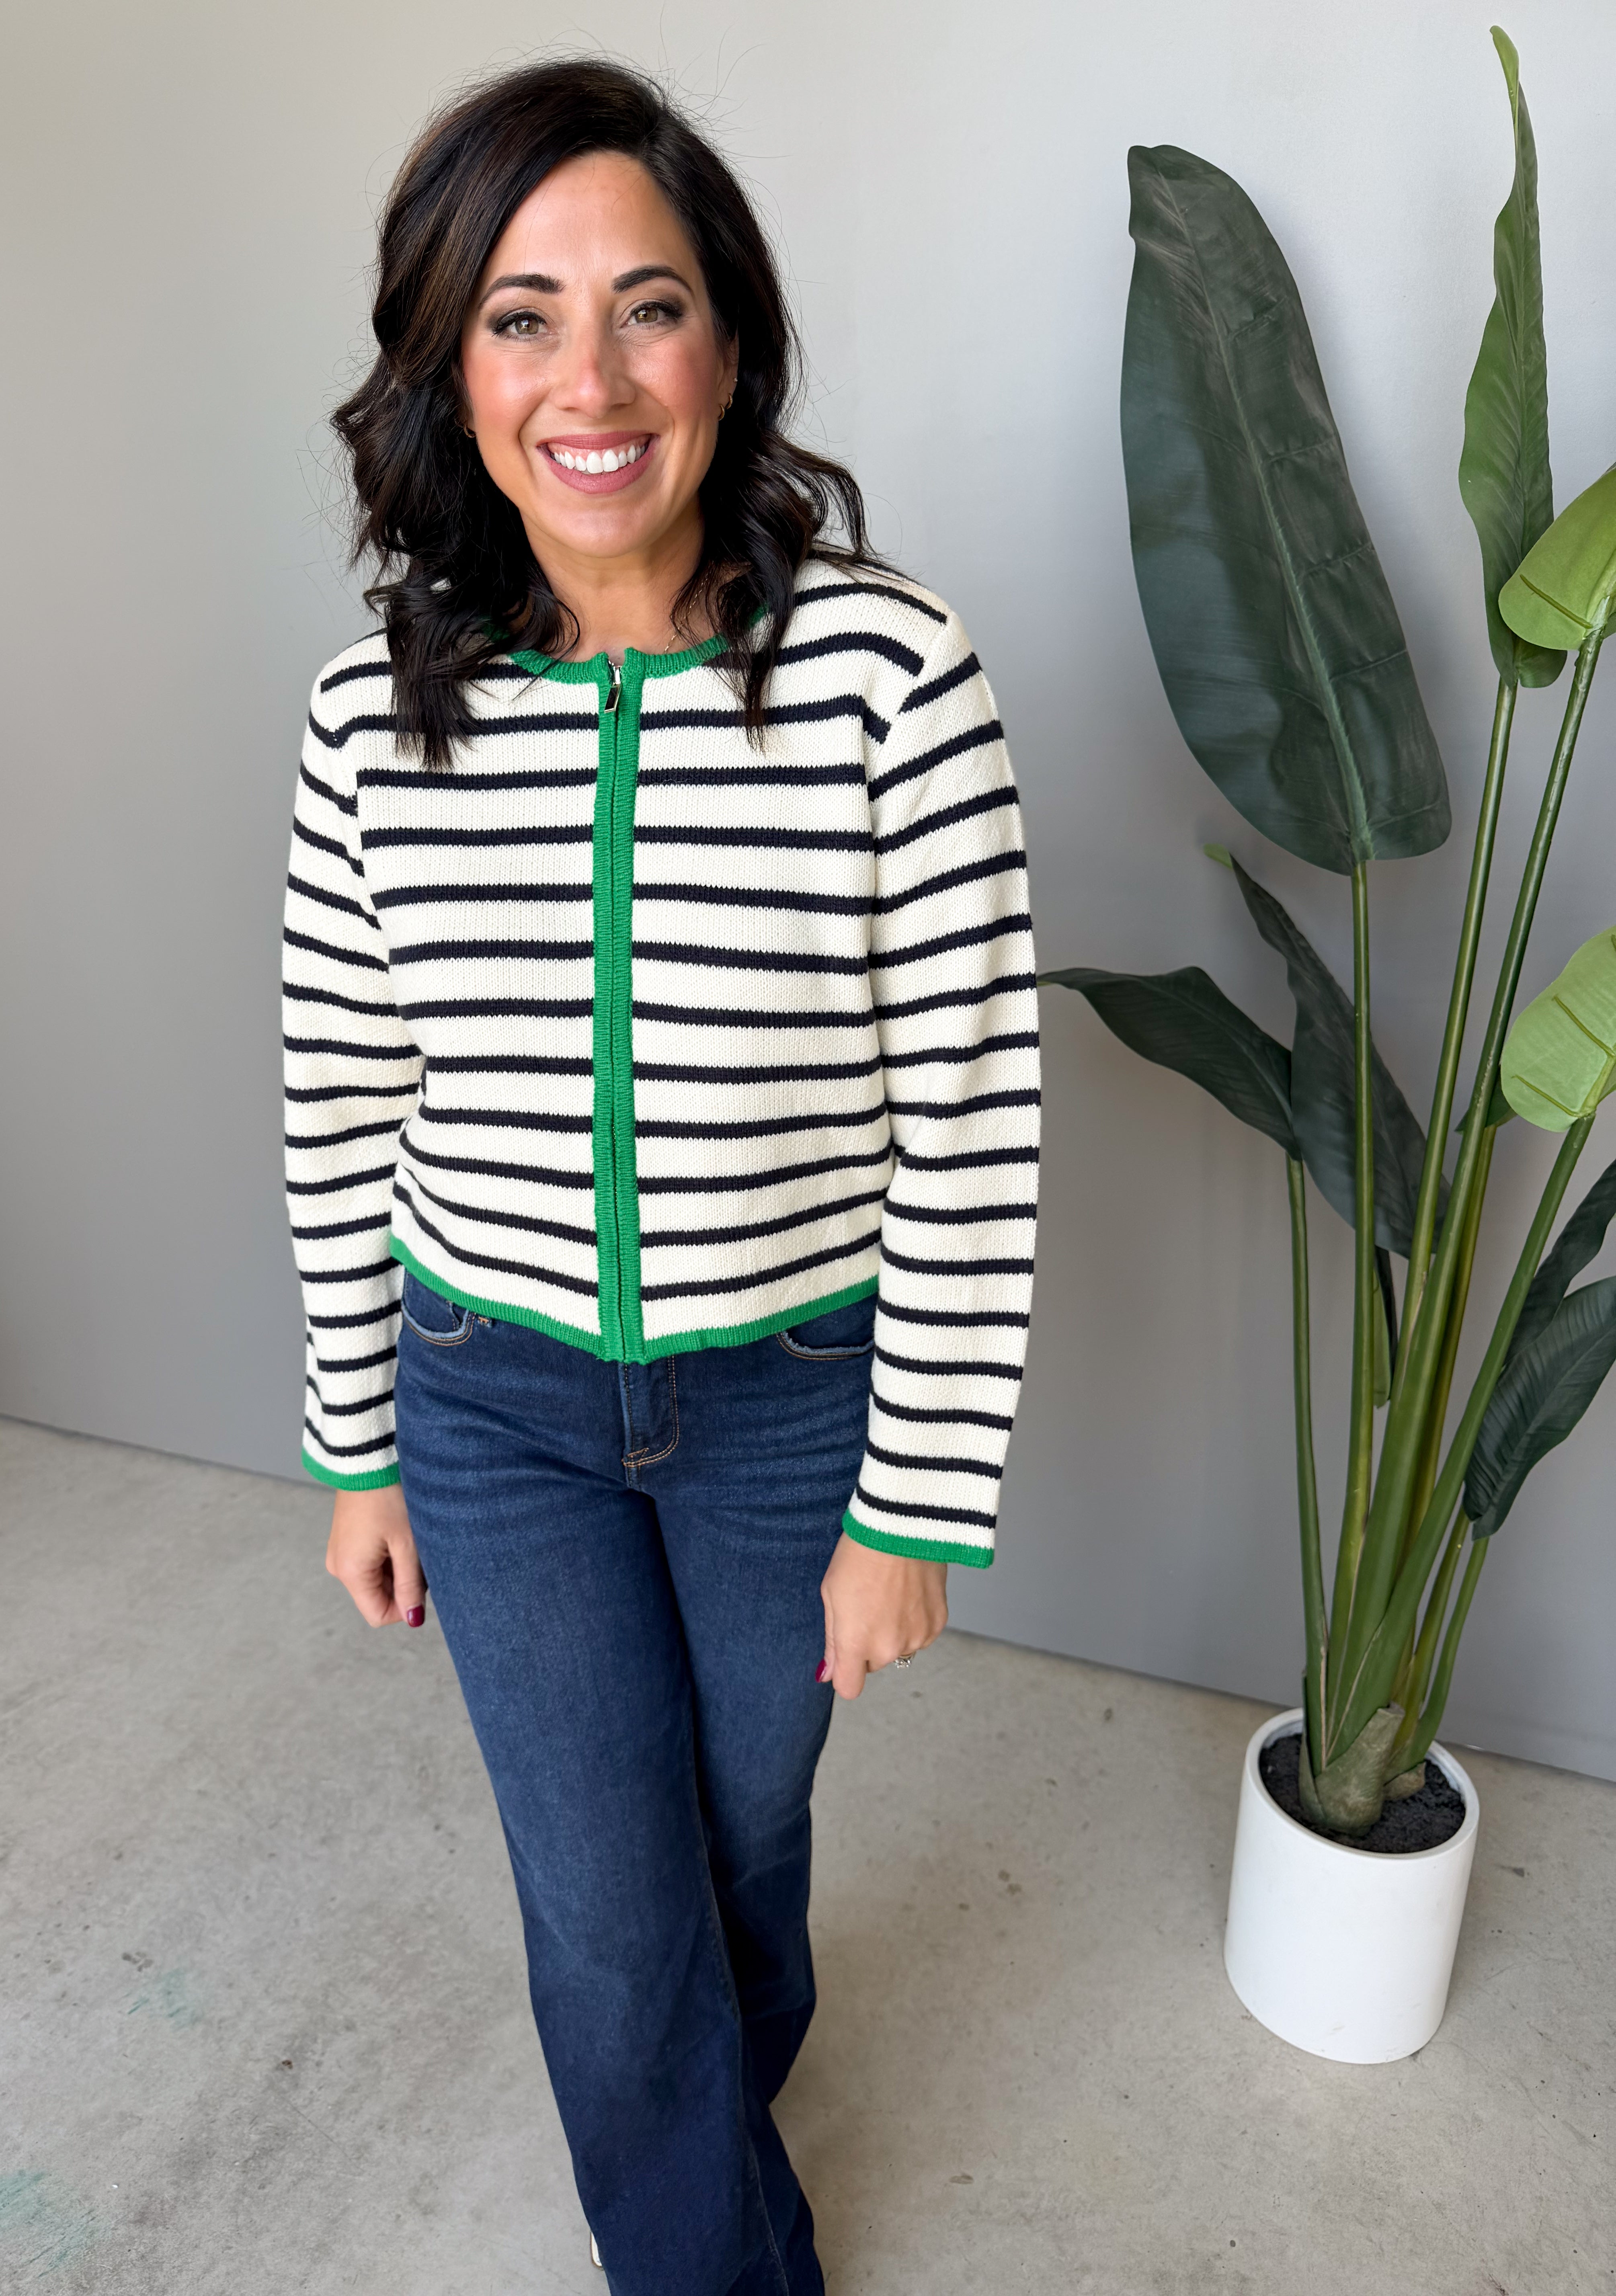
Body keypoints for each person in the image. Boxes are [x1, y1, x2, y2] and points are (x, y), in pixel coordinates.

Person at [285, 57, 1039, 2296]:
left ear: (731, 345)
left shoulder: (889, 674)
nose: (589, 383)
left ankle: (706, 2107)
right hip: (489, 1400)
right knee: (613, 1917)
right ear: (452, 368)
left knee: (740, 1832)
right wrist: (357, 1448)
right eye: (520, 319)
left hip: (792, 1404)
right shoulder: (372, 713)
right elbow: (341, 1093)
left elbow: (974, 1116)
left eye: (649, 307)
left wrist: (915, 1505)